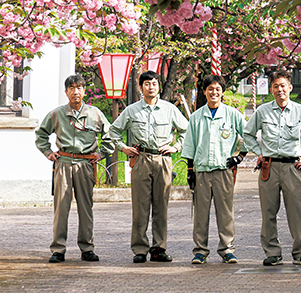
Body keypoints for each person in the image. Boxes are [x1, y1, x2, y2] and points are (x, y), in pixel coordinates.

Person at [109, 70, 190, 263]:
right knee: (140, 207)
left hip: (163, 160)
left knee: (161, 206)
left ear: (158, 86)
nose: (151, 87)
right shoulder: (132, 110)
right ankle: (139, 249)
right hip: (141, 159)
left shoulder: (169, 109)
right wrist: (123, 148)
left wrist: (176, 146)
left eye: (154, 83)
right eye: (147, 84)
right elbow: (113, 131)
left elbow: (187, 130)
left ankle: (158, 249)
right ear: (141, 87)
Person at [34, 74, 115, 263]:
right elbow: (41, 134)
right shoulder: (57, 114)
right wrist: (48, 152)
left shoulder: (95, 113)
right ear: (66, 92)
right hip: (63, 163)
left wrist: (101, 153)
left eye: (79, 87)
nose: (75, 91)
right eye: (71, 88)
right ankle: (58, 249)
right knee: (61, 208)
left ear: (84, 91)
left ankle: (87, 248)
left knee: (86, 207)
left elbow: (110, 135)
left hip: (85, 165)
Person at [243, 69, 301, 266]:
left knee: (297, 211)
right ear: (271, 89)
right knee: (268, 212)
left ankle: (300, 251)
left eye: (283, 85)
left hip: (293, 167)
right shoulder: (263, 111)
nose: (280, 90)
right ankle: (272, 252)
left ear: (290, 88)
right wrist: (258, 151)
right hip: (269, 167)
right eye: (276, 86)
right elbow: (248, 134)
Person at [181, 74, 247, 264]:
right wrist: (190, 171)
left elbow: (248, 135)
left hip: (223, 170)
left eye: (217, 89)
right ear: (204, 92)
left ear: (222, 92)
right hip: (202, 171)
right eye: (210, 89)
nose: (214, 92)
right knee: (201, 213)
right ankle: (200, 250)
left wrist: (240, 157)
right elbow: (190, 146)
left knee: (225, 213)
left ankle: (227, 249)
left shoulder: (232, 115)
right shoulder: (196, 117)